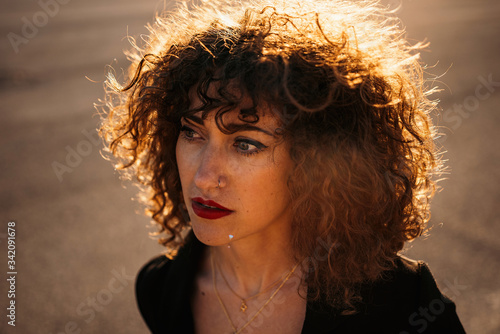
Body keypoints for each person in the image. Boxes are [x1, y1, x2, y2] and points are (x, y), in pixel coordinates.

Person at [99, 0, 466, 333]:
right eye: (192, 133)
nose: (204, 177)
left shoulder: (405, 306)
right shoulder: (162, 289)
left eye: (245, 144)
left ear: (316, 162)